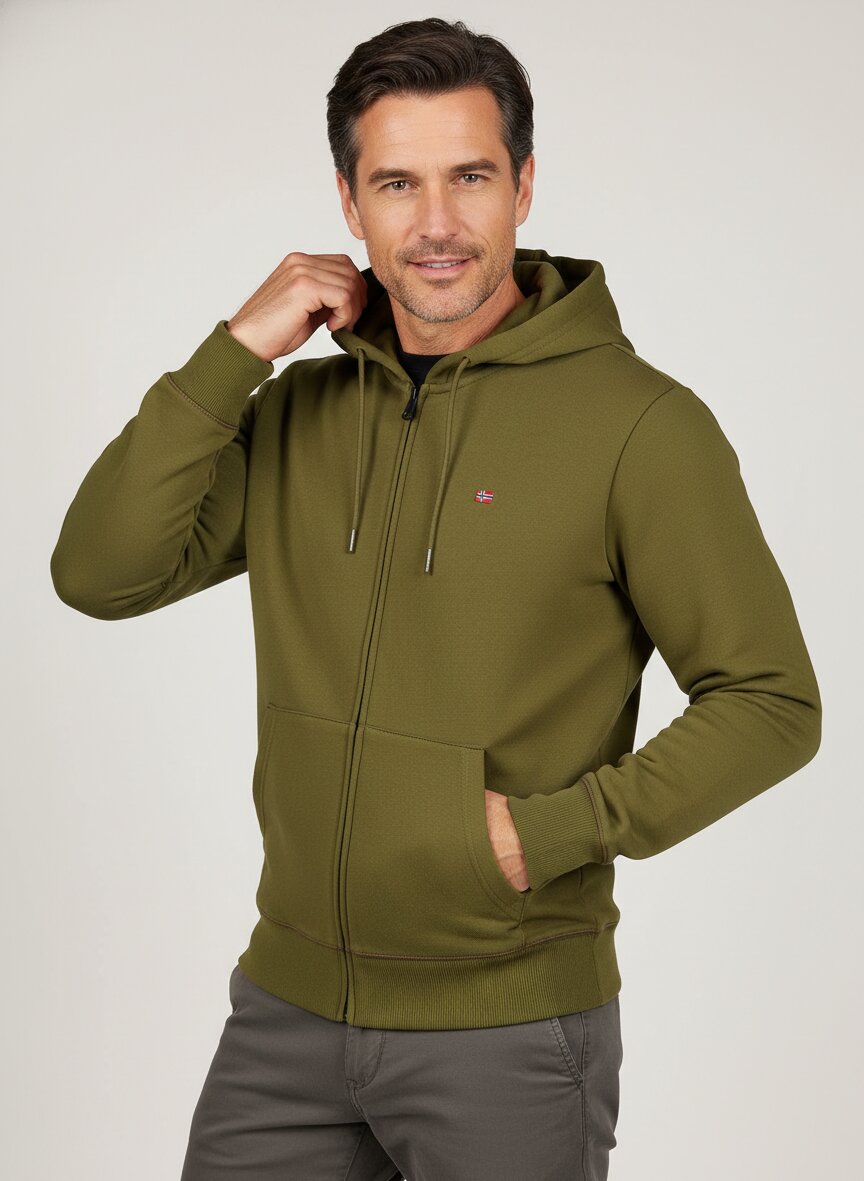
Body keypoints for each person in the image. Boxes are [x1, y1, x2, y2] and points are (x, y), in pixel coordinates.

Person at [49, 16, 822, 1181]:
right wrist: (233, 355)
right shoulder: (297, 415)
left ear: (523, 185)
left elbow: (770, 699)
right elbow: (100, 571)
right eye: (398, 183)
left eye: (470, 176)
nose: (438, 223)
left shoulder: (642, 427)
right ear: (350, 205)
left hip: (508, 1028)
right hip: (284, 1013)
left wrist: (544, 834)